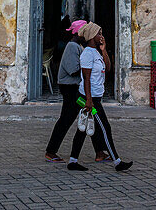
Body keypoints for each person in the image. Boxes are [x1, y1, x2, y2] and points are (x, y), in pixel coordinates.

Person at [67, 22, 132, 172]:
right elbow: (86, 78)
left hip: (93, 98)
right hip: (87, 98)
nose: (101, 36)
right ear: (91, 36)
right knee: (104, 127)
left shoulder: (96, 52)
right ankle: (117, 161)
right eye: (99, 34)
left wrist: (104, 51)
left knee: (82, 129)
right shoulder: (87, 54)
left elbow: (108, 68)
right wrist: (89, 101)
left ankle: (72, 161)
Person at [44, 19, 108, 163]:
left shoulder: (79, 46)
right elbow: (73, 70)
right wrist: (88, 67)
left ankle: (99, 152)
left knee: (90, 117)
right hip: (70, 89)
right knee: (67, 119)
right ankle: (51, 151)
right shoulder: (72, 47)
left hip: (75, 87)